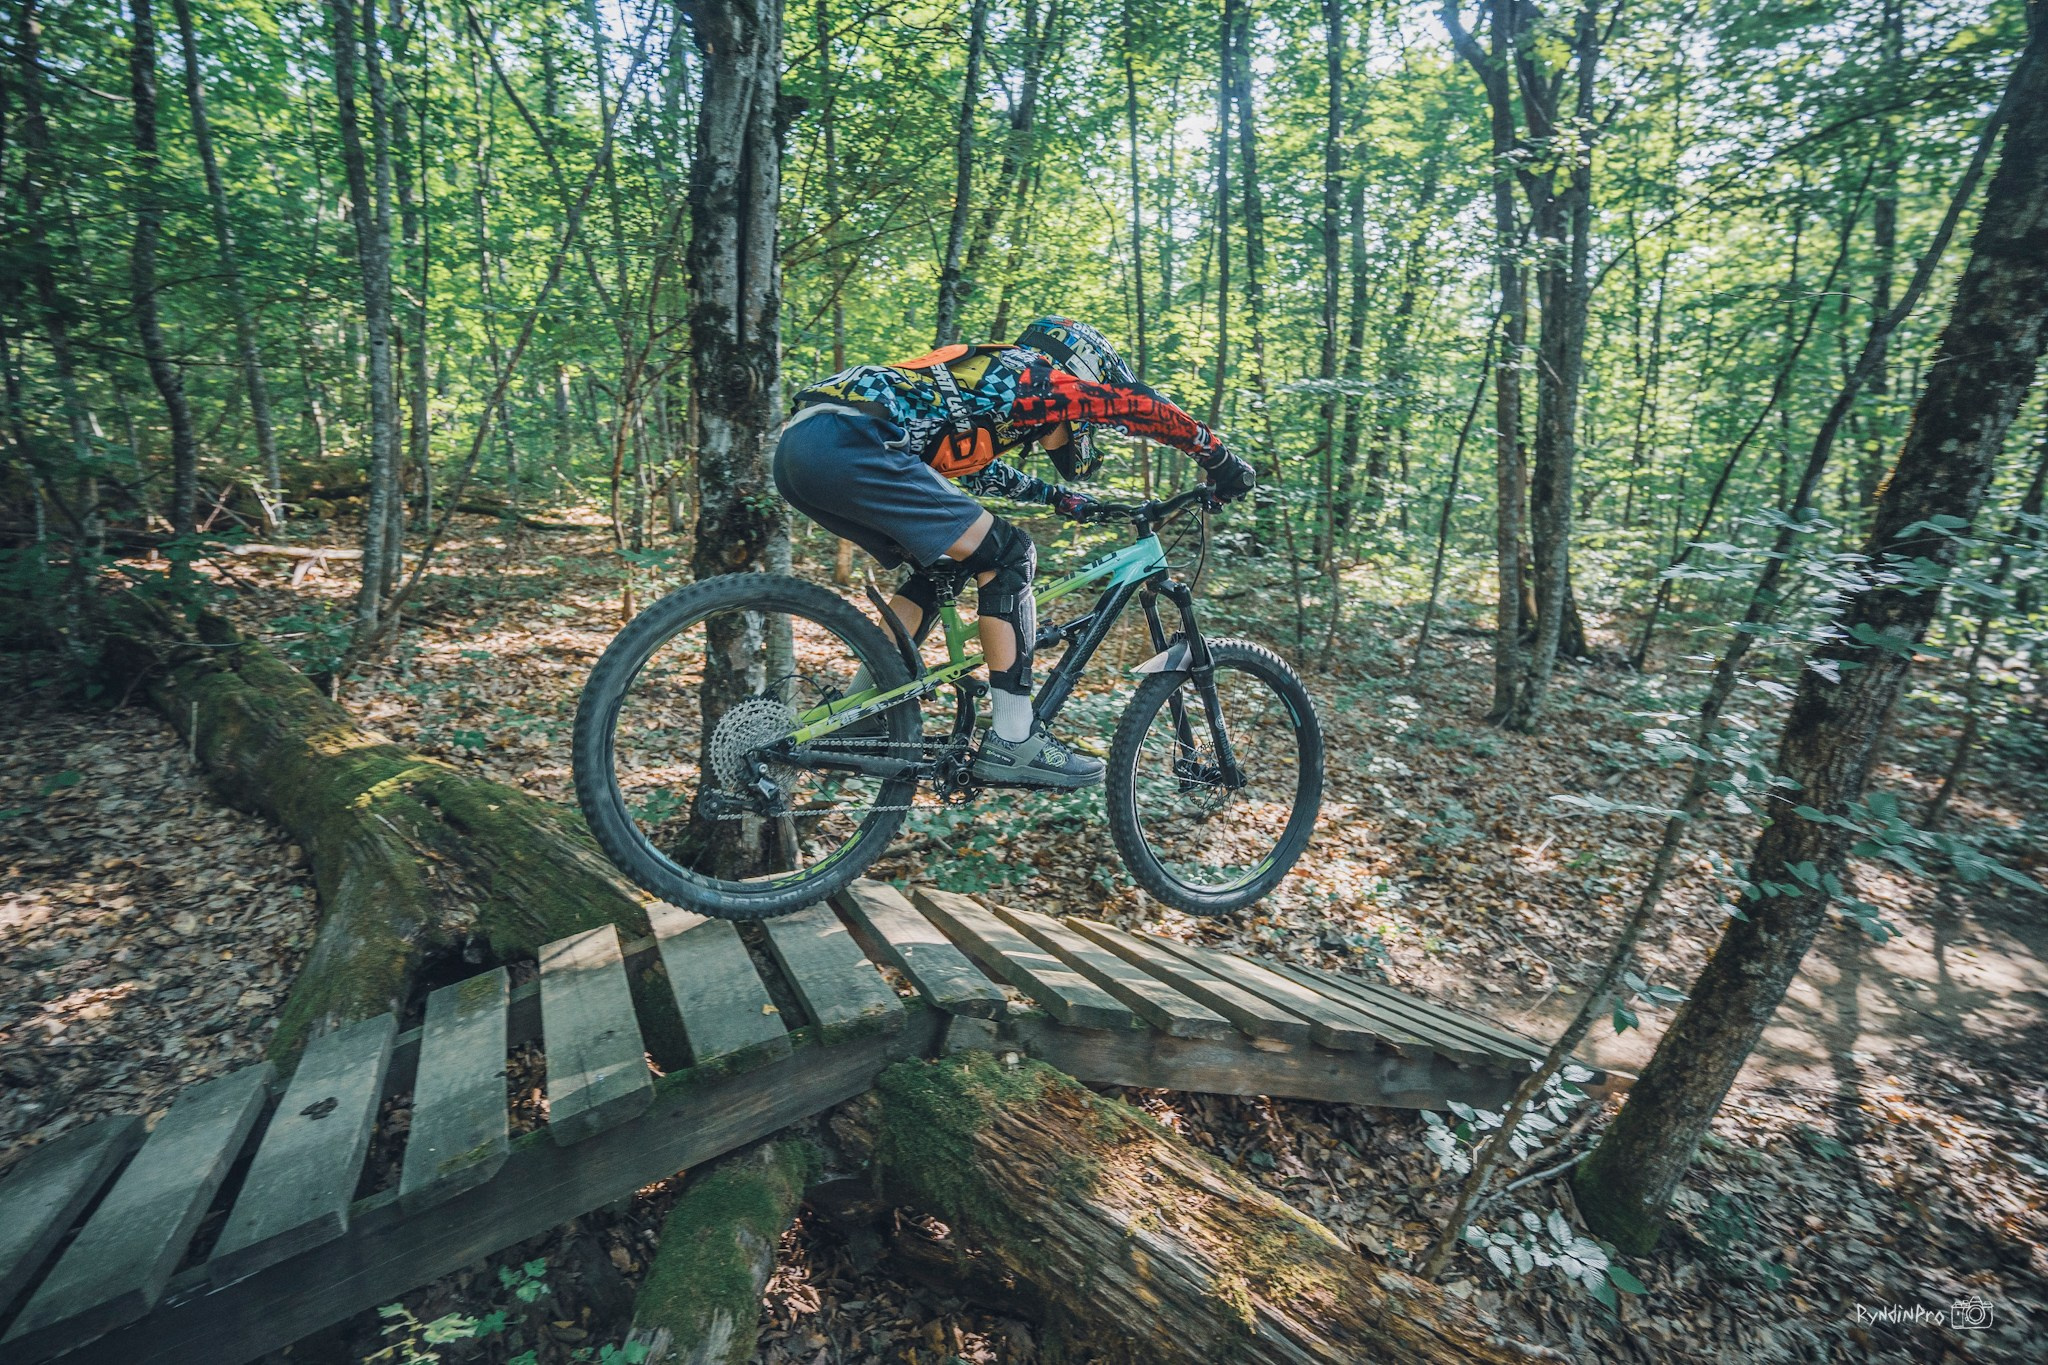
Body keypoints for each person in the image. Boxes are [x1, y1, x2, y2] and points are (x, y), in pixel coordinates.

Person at [773, 317, 1256, 789]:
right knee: (1010, 555)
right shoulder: (1033, 377)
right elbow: (1136, 407)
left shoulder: (986, 386)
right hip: (855, 442)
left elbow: (978, 471)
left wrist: (1061, 500)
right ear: (1079, 373)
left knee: (945, 562)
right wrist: (1215, 455)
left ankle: (861, 709)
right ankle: (1012, 737)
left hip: (805, 449)